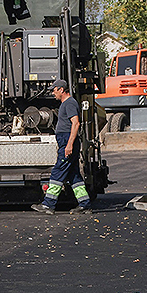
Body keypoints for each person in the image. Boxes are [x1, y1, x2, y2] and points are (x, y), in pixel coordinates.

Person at [32, 79, 92, 215]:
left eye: (54, 90)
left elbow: (76, 124)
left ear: (61, 89)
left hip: (67, 141)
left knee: (58, 171)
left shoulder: (70, 103)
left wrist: (69, 144)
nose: (53, 93)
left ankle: (48, 204)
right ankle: (85, 204)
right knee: (74, 175)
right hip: (66, 140)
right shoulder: (66, 104)